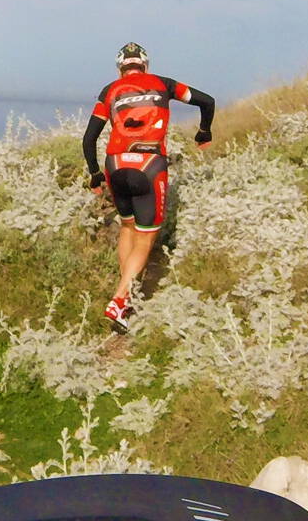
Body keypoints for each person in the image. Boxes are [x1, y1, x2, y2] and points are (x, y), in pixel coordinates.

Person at [82, 43, 215, 331]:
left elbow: (89, 139)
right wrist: (204, 131)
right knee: (146, 238)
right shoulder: (164, 84)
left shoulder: (110, 90)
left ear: (120, 68)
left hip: (116, 165)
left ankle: (127, 292)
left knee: (127, 227)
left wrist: (95, 175)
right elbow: (208, 101)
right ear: (145, 65)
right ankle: (119, 302)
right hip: (149, 164)